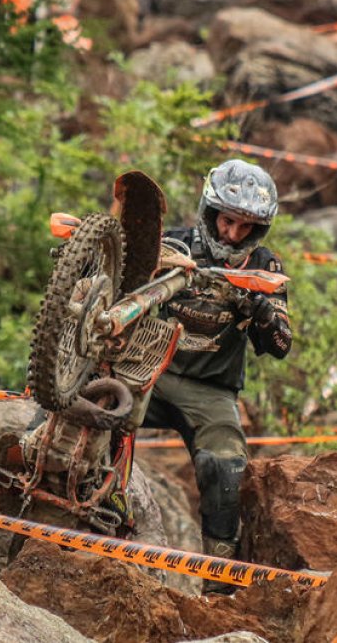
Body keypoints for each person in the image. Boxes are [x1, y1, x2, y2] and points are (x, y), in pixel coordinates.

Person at [136, 159, 292, 594]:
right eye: (227, 221)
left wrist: (261, 312)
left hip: (210, 390)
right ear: (209, 212)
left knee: (225, 467)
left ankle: (219, 584)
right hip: (149, 366)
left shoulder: (264, 266)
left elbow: (281, 346)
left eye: (246, 227)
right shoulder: (171, 245)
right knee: (88, 405)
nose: (233, 234)